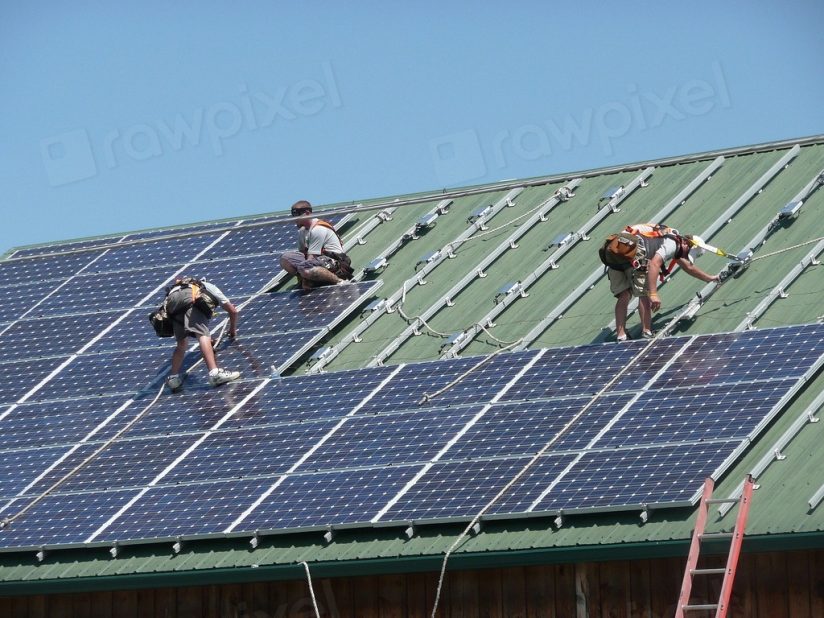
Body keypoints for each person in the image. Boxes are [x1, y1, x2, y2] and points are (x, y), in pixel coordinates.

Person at [602, 224, 719, 341]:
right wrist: (653, 294)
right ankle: (646, 331)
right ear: (686, 243)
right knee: (644, 293)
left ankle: (621, 335)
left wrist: (709, 278)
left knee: (624, 295)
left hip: (615, 250)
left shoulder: (668, 235)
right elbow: (654, 263)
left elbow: (689, 267)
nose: (685, 256)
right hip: (635, 250)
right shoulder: (672, 244)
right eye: (687, 253)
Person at [164, 277, 241, 391]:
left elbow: (189, 324)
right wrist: (232, 331)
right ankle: (214, 374)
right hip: (189, 298)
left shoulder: (179, 286)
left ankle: (173, 378)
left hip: (171, 302)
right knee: (203, 335)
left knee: (182, 344)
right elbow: (233, 311)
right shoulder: (210, 287)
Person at [280, 200, 353, 290]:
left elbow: (311, 257)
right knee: (285, 258)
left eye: (297, 215)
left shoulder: (318, 229)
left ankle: (339, 281)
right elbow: (302, 254)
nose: (295, 219)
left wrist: (304, 278)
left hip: (334, 261)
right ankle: (309, 278)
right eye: (293, 216)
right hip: (315, 261)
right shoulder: (302, 231)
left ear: (307, 213)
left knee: (304, 267)